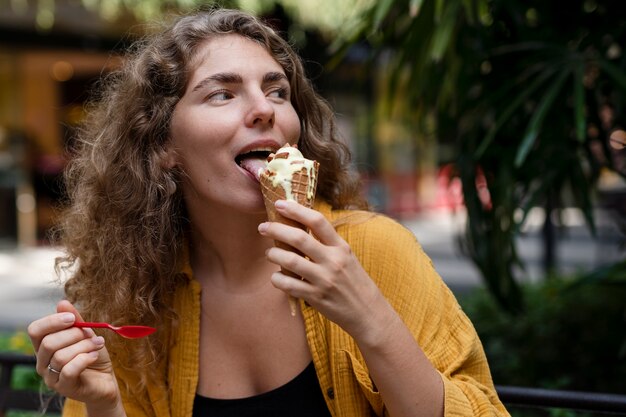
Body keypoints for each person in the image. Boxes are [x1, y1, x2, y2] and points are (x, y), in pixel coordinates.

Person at [27, 7, 510, 417]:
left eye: (278, 91)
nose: (265, 109)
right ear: (162, 147)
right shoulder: (133, 297)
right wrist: (105, 405)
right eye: (223, 93)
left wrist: (370, 318)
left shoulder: (369, 251)